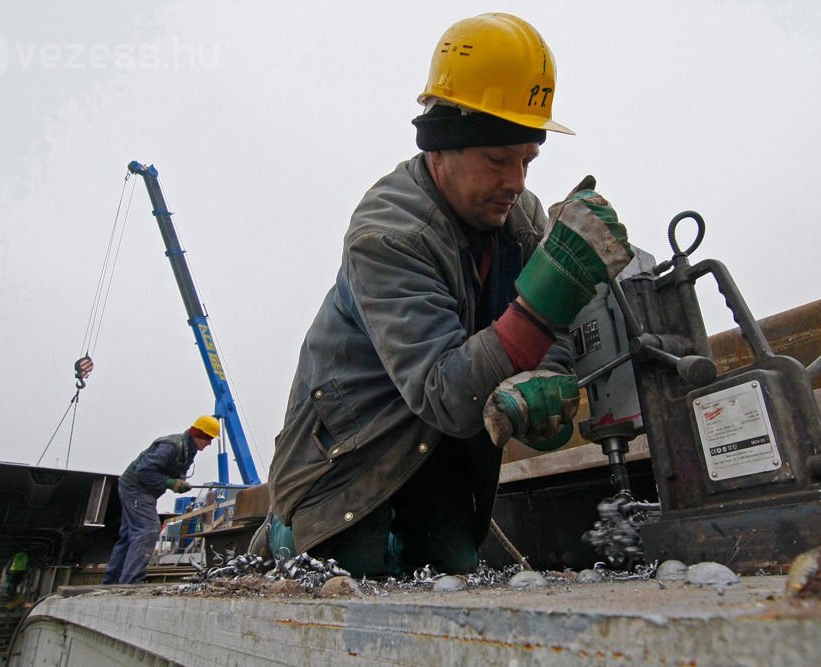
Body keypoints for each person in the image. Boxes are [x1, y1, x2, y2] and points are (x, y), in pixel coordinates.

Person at [265, 13, 632, 577]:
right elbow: (445, 393)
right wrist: (549, 298)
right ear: (442, 149)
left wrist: (547, 382)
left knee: (451, 570)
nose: (516, 181)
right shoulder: (387, 235)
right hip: (345, 465)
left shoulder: (519, 216)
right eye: (497, 159)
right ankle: (284, 533)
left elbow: (544, 335)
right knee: (351, 575)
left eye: (527, 160)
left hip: (438, 457)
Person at [103, 415, 219, 584]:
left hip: (142, 490)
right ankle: (131, 582)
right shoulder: (171, 445)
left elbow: (174, 470)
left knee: (129, 535)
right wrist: (169, 483)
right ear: (199, 434)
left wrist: (179, 482)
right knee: (147, 529)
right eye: (208, 438)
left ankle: (112, 582)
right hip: (136, 488)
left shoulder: (188, 449)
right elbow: (143, 471)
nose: (209, 443)